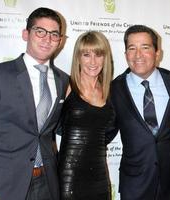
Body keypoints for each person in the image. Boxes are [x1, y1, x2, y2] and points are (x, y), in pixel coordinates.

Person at [0, 7, 69, 200]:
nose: (47, 39)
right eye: (40, 31)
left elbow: (58, 127)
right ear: (26, 34)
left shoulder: (63, 80)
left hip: (48, 183)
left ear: (60, 40)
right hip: (5, 185)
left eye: (54, 34)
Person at [106, 25, 170, 200]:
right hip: (135, 185)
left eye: (145, 47)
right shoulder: (113, 89)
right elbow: (104, 133)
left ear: (158, 53)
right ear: (126, 54)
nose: (138, 55)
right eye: (131, 48)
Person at [57, 31, 114, 199]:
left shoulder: (109, 90)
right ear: (78, 58)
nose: (93, 61)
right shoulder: (65, 85)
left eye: (98, 54)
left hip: (100, 176)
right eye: (86, 55)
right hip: (69, 178)